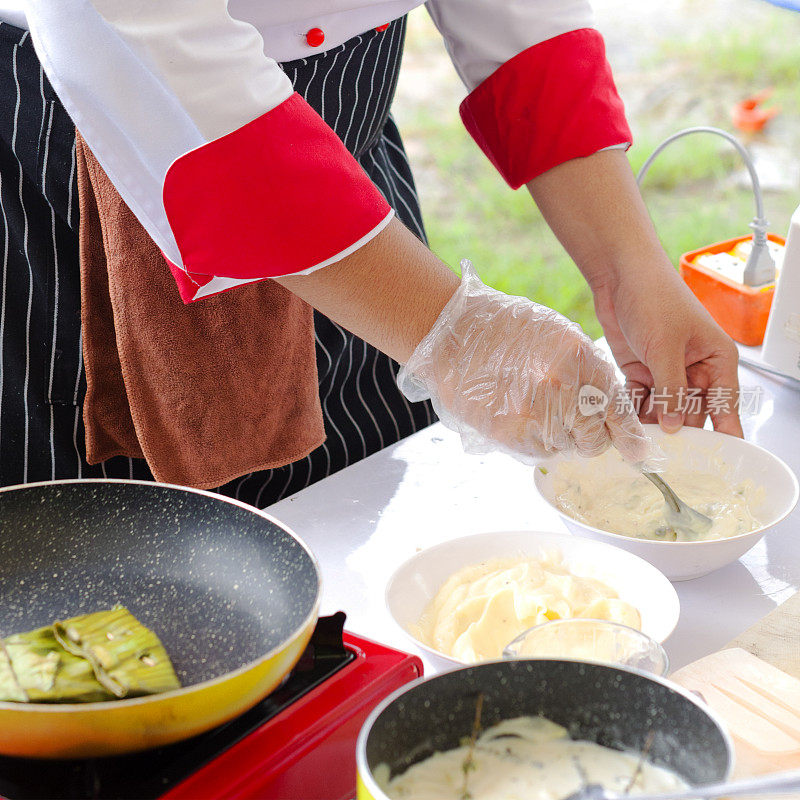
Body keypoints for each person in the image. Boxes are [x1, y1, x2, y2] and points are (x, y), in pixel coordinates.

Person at [0, 1, 742, 505]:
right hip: (95, 163)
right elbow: (132, 35)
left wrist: (629, 270)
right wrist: (454, 335)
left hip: (343, 163)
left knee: (359, 542)